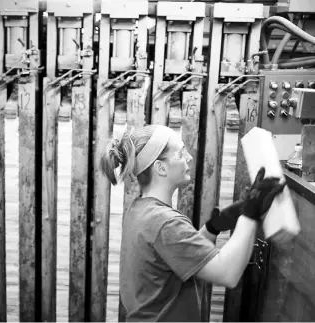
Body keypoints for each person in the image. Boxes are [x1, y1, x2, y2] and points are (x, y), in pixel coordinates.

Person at [100, 124, 285, 322]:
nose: (188, 158)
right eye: (180, 153)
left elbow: (179, 258)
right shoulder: (165, 223)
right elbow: (227, 273)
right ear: (160, 168)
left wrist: (213, 227)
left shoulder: (140, 210)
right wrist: (251, 213)